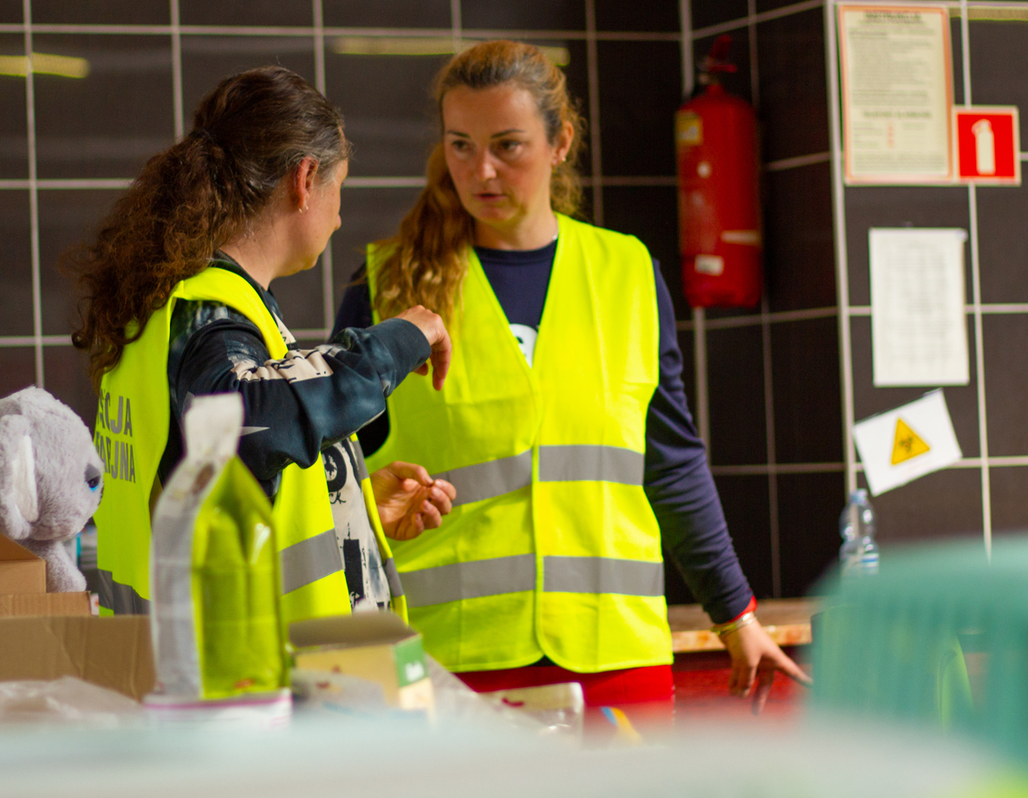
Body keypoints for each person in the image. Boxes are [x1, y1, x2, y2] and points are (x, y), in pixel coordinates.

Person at [333, 41, 809, 713]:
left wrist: (736, 614)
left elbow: (670, 464)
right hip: (450, 663)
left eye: (508, 145)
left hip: (615, 655)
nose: (482, 169)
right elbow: (333, 479)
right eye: (461, 145)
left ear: (560, 143)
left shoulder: (628, 273)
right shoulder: (385, 285)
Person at [67, 66, 456, 626]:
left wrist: (348, 502)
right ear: (304, 179)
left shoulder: (182, 306)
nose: (340, 215)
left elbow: (222, 483)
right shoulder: (210, 311)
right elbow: (248, 419)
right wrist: (395, 343)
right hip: (249, 685)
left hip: (202, 674)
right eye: (338, 189)